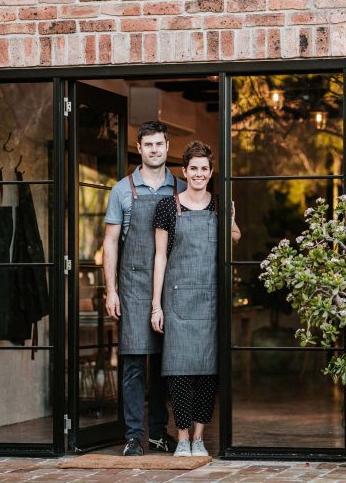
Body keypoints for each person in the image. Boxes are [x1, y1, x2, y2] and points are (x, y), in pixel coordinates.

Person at [150, 140, 241, 457]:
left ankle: (199, 438)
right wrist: (155, 305)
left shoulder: (219, 205)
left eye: (204, 168)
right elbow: (160, 258)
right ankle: (183, 436)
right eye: (194, 168)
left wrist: (230, 218)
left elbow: (234, 239)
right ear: (184, 171)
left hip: (210, 301)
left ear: (211, 172)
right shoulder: (167, 207)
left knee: (207, 372)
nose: (199, 173)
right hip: (177, 303)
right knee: (177, 372)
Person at [103, 121, 186, 456]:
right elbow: (109, 243)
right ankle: (133, 436)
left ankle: (158, 432)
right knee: (134, 364)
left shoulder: (180, 188)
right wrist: (111, 290)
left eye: (160, 144)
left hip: (173, 288)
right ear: (140, 148)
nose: (155, 150)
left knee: (165, 366)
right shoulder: (122, 190)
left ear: (168, 147)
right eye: (148, 144)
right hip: (134, 287)